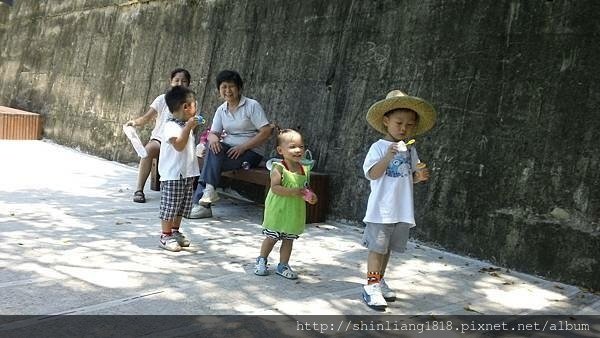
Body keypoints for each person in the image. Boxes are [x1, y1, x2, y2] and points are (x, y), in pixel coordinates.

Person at [361, 89, 437, 310]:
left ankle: (380, 279)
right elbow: (373, 174)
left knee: (387, 249)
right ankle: (371, 286)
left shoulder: (410, 149)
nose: (404, 128)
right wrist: (388, 156)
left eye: (410, 124)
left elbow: (408, 178)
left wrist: (419, 176)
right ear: (386, 121)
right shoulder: (378, 147)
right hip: (381, 210)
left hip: (401, 209)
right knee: (377, 248)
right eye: (399, 122)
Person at [189, 70, 272, 218]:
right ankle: (207, 193)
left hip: (251, 152)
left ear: (239, 88)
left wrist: (243, 147)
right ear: (219, 90)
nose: (228, 90)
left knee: (210, 161)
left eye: (231, 86)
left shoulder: (252, 106)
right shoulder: (221, 110)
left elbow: (266, 132)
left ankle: (202, 204)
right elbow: (214, 133)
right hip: (228, 150)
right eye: (224, 87)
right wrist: (213, 138)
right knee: (212, 148)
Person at [254, 129, 318, 279]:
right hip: (278, 210)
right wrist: (294, 191)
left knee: (289, 239)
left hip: (293, 211)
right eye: (292, 147)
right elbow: (275, 188)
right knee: (272, 237)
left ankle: (283, 265)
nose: (298, 150)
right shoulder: (279, 168)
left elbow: (305, 187)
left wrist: (311, 195)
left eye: (301, 146)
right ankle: (262, 259)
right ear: (280, 150)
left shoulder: (304, 169)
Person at [125, 68, 192, 203]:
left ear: (188, 84)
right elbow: (147, 117)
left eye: (183, 81)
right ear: (171, 82)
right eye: (176, 80)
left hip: (178, 141)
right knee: (148, 151)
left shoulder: (190, 102)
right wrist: (134, 122)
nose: (180, 83)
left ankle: (179, 193)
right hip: (160, 139)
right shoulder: (162, 99)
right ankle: (139, 190)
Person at [157, 86, 200, 252]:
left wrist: (189, 126)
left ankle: (175, 231)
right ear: (186, 107)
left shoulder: (183, 124)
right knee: (170, 206)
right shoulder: (171, 126)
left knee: (181, 206)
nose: (196, 109)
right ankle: (165, 235)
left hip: (187, 173)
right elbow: (179, 146)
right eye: (194, 105)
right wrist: (189, 127)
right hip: (173, 174)